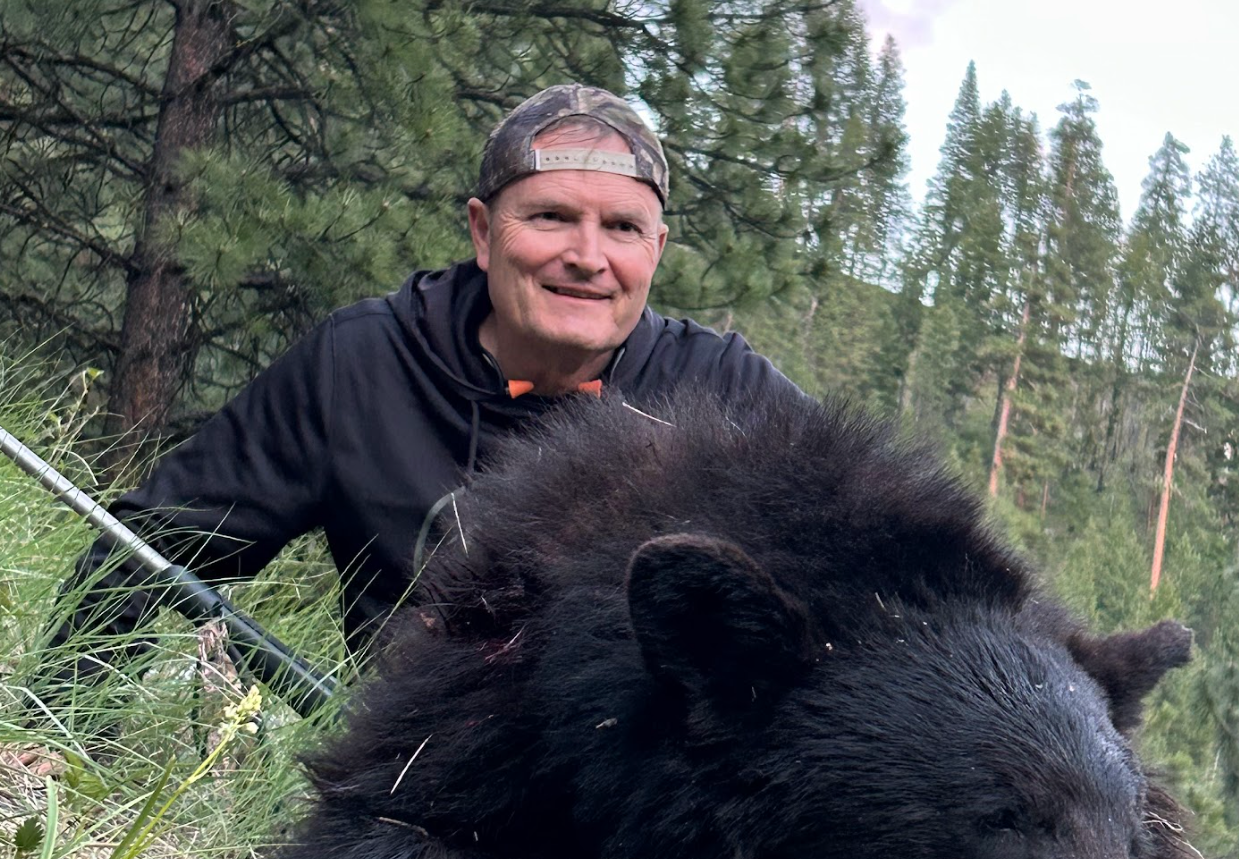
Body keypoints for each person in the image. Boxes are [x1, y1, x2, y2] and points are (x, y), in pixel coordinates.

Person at [51, 84, 803, 673]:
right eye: (549, 217)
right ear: (482, 232)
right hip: (416, 786)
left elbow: (883, 571)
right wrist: (60, 760)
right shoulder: (363, 366)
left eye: (622, 228)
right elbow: (144, 551)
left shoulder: (727, 393)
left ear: (657, 249)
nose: (587, 255)